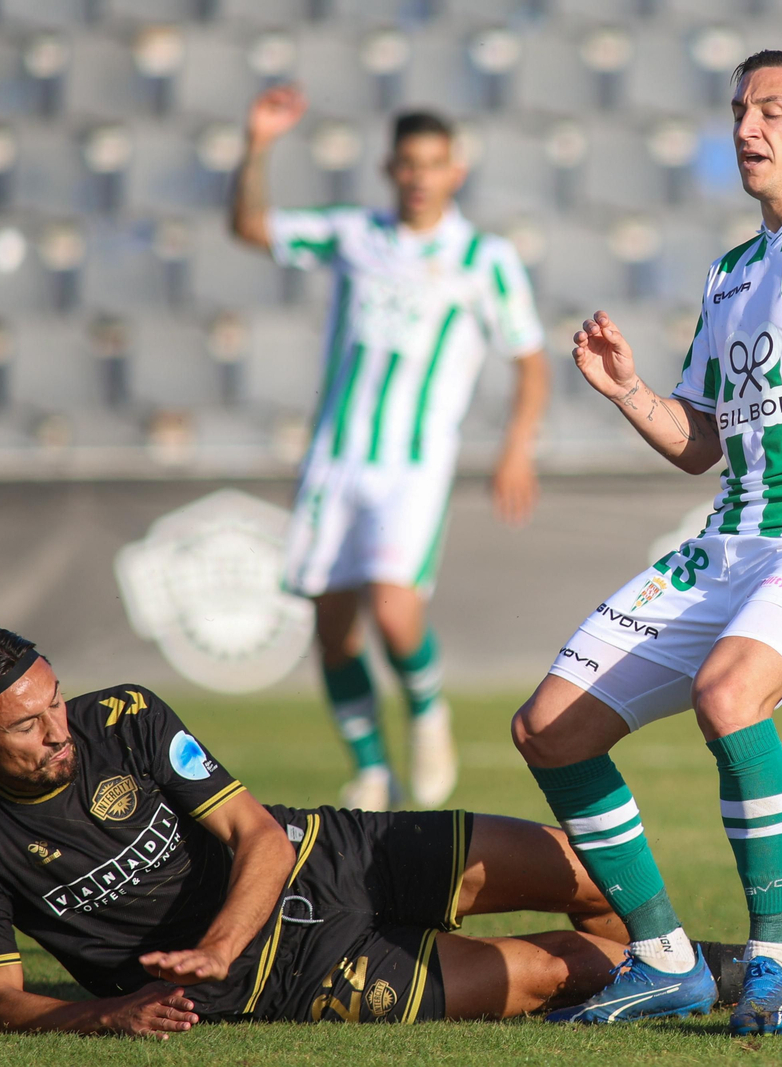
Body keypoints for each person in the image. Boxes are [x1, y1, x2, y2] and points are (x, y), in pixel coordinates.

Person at [510, 50, 782, 1036]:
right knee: (548, 728)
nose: (746, 128)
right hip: (728, 541)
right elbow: (699, 441)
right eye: (740, 111)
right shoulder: (732, 271)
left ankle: (769, 963)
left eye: (771, 111)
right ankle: (665, 958)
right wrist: (629, 390)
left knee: (728, 692)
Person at [0, 625, 782, 1036]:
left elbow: (259, 837)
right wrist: (111, 1014)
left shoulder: (122, 716)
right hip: (291, 973)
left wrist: (215, 942)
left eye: (54, 701)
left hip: (326, 852)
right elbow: (0, 1003)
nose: (58, 730)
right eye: (27, 725)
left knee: (587, 871)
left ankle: (687, 965)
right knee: (555, 971)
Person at [229, 87, 550, 811]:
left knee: (395, 609)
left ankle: (428, 712)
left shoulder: (484, 258)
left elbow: (530, 361)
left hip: (412, 465)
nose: (419, 177)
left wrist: (517, 448)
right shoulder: (354, 235)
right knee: (333, 630)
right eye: (408, 163)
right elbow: (249, 227)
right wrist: (257, 144)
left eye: (433, 163)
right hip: (334, 458)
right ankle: (373, 770)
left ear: (455, 171)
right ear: (388, 168)